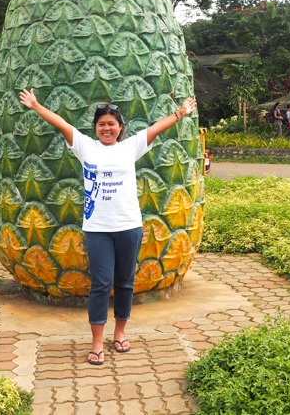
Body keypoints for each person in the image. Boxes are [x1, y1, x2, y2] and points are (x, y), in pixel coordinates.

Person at [18, 88, 197, 366]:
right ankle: (97, 341)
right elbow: (62, 124)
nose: (106, 128)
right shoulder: (85, 146)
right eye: (102, 124)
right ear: (96, 128)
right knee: (101, 285)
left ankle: (121, 333)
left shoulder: (130, 147)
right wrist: (36, 105)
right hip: (97, 228)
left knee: (125, 283)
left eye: (111, 124)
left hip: (129, 226)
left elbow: (155, 129)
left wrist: (180, 113)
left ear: (120, 128)